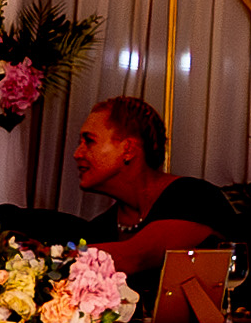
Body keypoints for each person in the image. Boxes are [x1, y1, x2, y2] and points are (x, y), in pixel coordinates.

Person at [68, 94, 236, 297]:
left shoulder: (194, 198)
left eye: (89, 141)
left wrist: (51, 258)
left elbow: (137, 256)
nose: (77, 153)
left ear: (128, 149)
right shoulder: (102, 227)